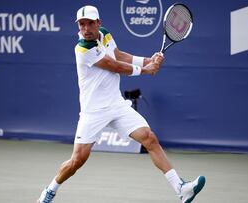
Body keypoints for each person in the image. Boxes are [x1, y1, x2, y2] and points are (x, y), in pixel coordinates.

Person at [37, 5, 205, 203]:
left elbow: (118, 55)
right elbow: (114, 66)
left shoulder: (105, 35)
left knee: (149, 138)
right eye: (81, 24)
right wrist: (146, 70)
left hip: (116, 105)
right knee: (77, 161)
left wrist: (147, 61)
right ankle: (50, 190)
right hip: (93, 112)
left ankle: (181, 188)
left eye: (90, 23)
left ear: (98, 23)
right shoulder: (83, 49)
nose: (86, 28)